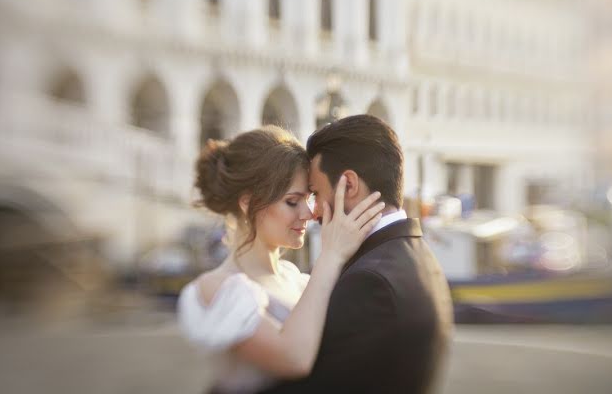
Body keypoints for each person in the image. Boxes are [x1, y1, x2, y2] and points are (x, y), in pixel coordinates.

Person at [177, 126, 385, 394]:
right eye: (292, 202)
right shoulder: (217, 287)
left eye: (308, 199)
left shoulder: (295, 278)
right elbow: (294, 359)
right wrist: (330, 256)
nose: (309, 214)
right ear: (248, 203)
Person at [258, 114, 455, 394]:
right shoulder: (418, 255)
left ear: (348, 185)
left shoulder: (370, 282)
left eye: (315, 193)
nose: (313, 212)